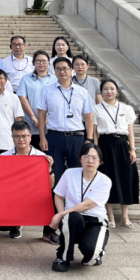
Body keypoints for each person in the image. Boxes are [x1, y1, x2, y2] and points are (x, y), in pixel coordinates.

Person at [50, 144, 111, 270]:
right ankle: (62, 256)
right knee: (71, 217)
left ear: (100, 161)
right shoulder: (69, 173)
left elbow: (86, 205)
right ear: (80, 159)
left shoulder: (104, 181)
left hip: (96, 221)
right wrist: (63, 215)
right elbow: (58, 196)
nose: (90, 160)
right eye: (86, 156)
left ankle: (95, 252)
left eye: (94, 157)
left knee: (90, 258)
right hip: (73, 219)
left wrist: (60, 214)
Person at [38, 56, 95, 186]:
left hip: (76, 137)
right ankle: (57, 204)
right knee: (55, 171)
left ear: (71, 70)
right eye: (58, 69)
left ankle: (75, 203)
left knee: (77, 171)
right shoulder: (47, 90)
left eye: (64, 68)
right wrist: (42, 137)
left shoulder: (82, 92)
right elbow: (41, 115)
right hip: (54, 136)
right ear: (54, 71)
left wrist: (89, 138)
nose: (61, 71)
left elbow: (88, 116)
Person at [95, 79, 139, 228]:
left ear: (117, 91)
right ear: (101, 92)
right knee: (107, 177)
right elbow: (95, 133)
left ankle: (125, 216)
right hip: (105, 144)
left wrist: (132, 149)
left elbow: (130, 131)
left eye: (112, 89)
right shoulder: (96, 109)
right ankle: (110, 216)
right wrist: (96, 152)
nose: (109, 91)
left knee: (126, 178)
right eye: (106, 89)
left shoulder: (126, 108)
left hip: (122, 144)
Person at [3, 120, 55, 241]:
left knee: (55, 195)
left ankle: (49, 231)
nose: (21, 139)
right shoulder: (4, 156)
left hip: (33, 194)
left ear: (30, 136)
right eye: (17, 136)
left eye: (24, 136)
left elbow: (51, 186)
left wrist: (49, 169)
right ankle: (14, 224)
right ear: (12, 137)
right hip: (12, 194)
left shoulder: (41, 157)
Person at [17, 51, 57, 150]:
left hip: (50, 124)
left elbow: (56, 101)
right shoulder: (25, 79)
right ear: (33, 63)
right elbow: (22, 98)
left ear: (49, 62)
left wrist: (46, 119)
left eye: (44, 61)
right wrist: (34, 118)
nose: (41, 63)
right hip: (30, 124)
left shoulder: (55, 79)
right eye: (38, 61)